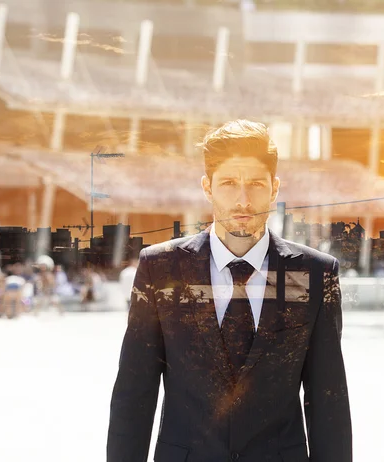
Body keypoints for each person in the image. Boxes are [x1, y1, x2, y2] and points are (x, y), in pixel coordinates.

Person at [107, 120, 352, 461]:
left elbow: (328, 399)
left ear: (275, 188)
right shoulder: (161, 267)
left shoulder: (314, 273)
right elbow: (135, 393)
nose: (242, 200)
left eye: (255, 184)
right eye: (228, 183)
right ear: (207, 187)